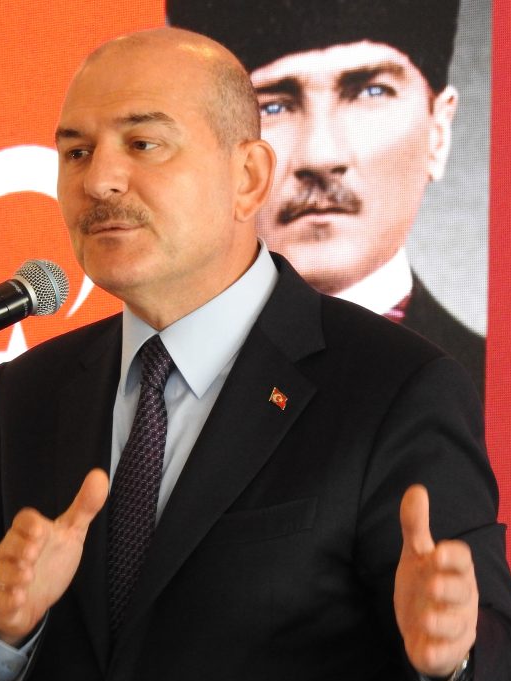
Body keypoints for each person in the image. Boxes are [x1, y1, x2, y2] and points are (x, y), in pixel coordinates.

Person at [0, 28, 511, 681]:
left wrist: (455, 654)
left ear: (248, 177)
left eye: (143, 144)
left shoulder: (392, 387)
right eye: (75, 152)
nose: (99, 181)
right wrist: (0, 621)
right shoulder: (31, 393)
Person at [165, 0, 486, 396]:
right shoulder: (153, 388)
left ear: (438, 132)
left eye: (370, 92)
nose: (320, 156)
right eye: (272, 106)